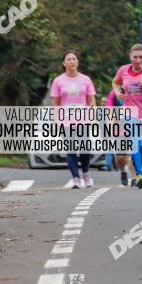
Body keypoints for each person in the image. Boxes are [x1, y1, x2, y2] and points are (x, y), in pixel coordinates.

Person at [50, 51, 97, 188]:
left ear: (77, 62)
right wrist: (55, 120)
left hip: (83, 120)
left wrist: (92, 117)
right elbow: (55, 103)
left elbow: (91, 99)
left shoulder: (85, 79)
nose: (71, 61)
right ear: (64, 63)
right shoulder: (58, 81)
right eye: (68, 59)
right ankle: (76, 178)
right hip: (66, 121)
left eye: (74, 59)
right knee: (70, 150)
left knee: (84, 149)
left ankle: (86, 173)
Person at [112, 44, 142, 189]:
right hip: (130, 112)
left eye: (141, 57)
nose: (138, 60)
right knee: (135, 142)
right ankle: (140, 174)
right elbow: (115, 82)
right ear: (130, 57)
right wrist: (117, 92)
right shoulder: (123, 70)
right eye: (135, 57)